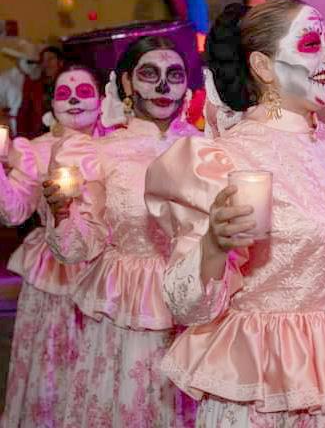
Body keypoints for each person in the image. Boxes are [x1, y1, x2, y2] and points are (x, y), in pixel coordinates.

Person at [144, 0, 325, 426]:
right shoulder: (220, 161)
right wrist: (214, 245)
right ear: (262, 65)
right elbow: (189, 309)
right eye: (311, 44)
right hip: (272, 393)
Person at [43, 35, 200, 427]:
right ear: (127, 83)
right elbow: (80, 247)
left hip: (196, 302)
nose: (163, 86)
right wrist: (62, 213)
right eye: (149, 74)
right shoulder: (102, 152)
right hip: (125, 306)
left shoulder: (208, 149)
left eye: (174, 75)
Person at [0, 65, 103, 428]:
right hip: (54, 276)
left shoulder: (116, 147)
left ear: (102, 98)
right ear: (52, 105)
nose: (74, 100)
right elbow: (14, 212)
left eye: (84, 92)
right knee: (55, 363)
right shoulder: (36, 149)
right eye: (63, 94)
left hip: (105, 275)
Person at [17, 46, 64, 139]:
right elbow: (23, 112)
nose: (46, 64)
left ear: (61, 62)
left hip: (63, 134)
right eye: (43, 60)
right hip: (39, 136)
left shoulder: (68, 83)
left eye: (50, 59)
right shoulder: (33, 85)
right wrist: (21, 138)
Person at [0, 39, 41, 136]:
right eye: (29, 62)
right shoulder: (5, 78)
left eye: (35, 62)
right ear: (19, 59)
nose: (33, 65)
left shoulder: (38, 78)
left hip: (35, 128)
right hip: (12, 127)